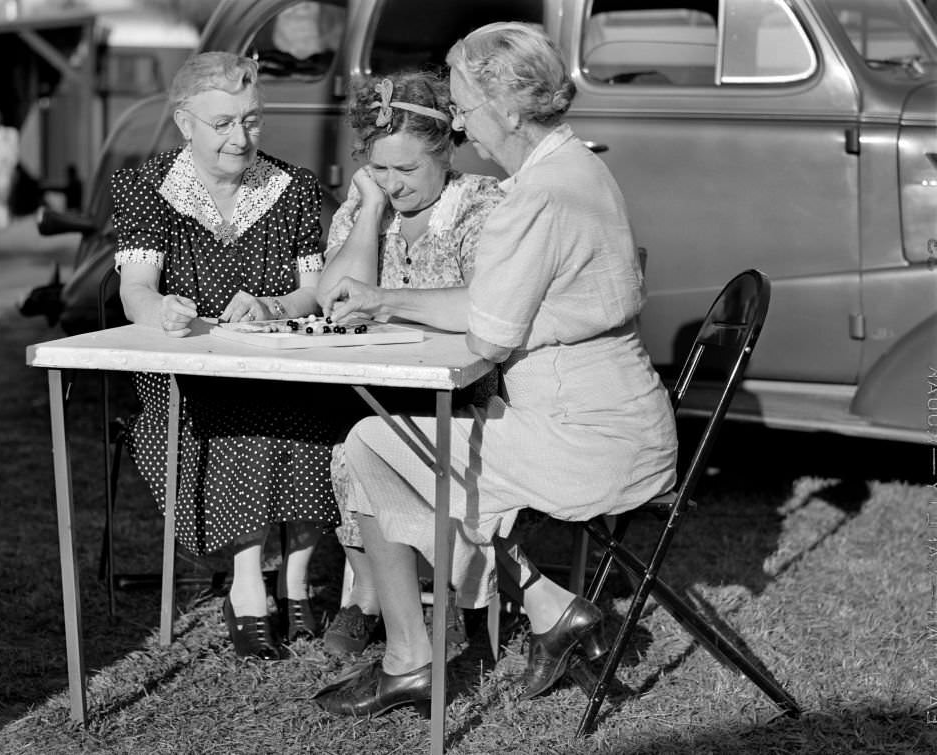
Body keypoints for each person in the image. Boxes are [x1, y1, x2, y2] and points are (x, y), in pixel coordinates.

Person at [313, 22, 678, 716]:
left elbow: (489, 331)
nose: (458, 120)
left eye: (463, 105)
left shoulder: (533, 197)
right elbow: (494, 308)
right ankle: (545, 605)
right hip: (615, 414)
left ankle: (410, 657)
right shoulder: (575, 165)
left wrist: (390, 303)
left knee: (373, 443)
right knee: (415, 441)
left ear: (508, 109)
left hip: (589, 441)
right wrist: (388, 296)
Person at [111, 51, 345, 660]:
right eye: (223, 124)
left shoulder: (292, 188)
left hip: (280, 364)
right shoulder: (147, 187)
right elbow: (135, 289)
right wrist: (160, 309)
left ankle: (293, 582)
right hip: (188, 372)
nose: (240, 138)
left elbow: (312, 289)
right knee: (243, 421)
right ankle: (246, 586)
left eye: (252, 120)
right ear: (185, 122)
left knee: (321, 416)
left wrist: (272, 306)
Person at [316, 71, 502, 656]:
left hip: (466, 390)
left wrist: (387, 304)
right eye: (380, 169)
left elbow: (486, 309)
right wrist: (369, 212)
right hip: (377, 382)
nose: (393, 185)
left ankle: (436, 587)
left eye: (407, 170)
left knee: (395, 437)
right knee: (337, 433)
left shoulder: (481, 205)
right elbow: (333, 297)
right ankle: (374, 589)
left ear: (445, 155)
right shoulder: (369, 205)